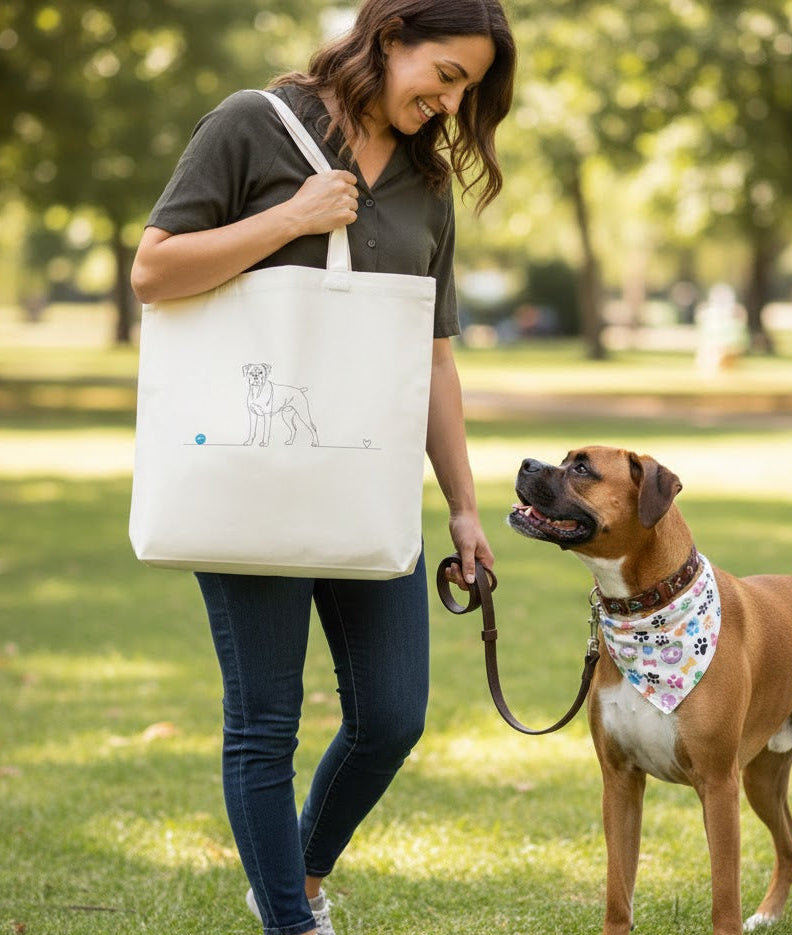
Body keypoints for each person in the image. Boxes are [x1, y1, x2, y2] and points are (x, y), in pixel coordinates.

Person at [130, 2, 516, 933]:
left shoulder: (427, 182)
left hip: (366, 486)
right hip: (246, 480)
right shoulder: (251, 124)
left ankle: (295, 874)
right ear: (387, 39)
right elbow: (153, 272)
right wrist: (293, 219)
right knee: (264, 722)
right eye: (445, 73)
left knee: (391, 716)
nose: (450, 101)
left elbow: (432, 357)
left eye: (467, 87)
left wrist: (464, 508)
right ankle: (291, 922)